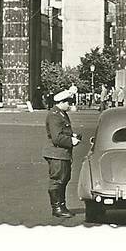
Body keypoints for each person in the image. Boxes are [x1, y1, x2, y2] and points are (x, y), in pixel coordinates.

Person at [42, 85, 80, 218]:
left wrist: (72, 136)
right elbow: (57, 137)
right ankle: (57, 207)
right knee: (57, 180)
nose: (70, 105)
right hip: (57, 153)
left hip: (61, 153)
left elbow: (62, 132)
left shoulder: (61, 114)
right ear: (61, 102)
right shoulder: (55, 116)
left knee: (63, 179)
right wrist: (71, 141)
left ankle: (61, 206)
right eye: (68, 102)